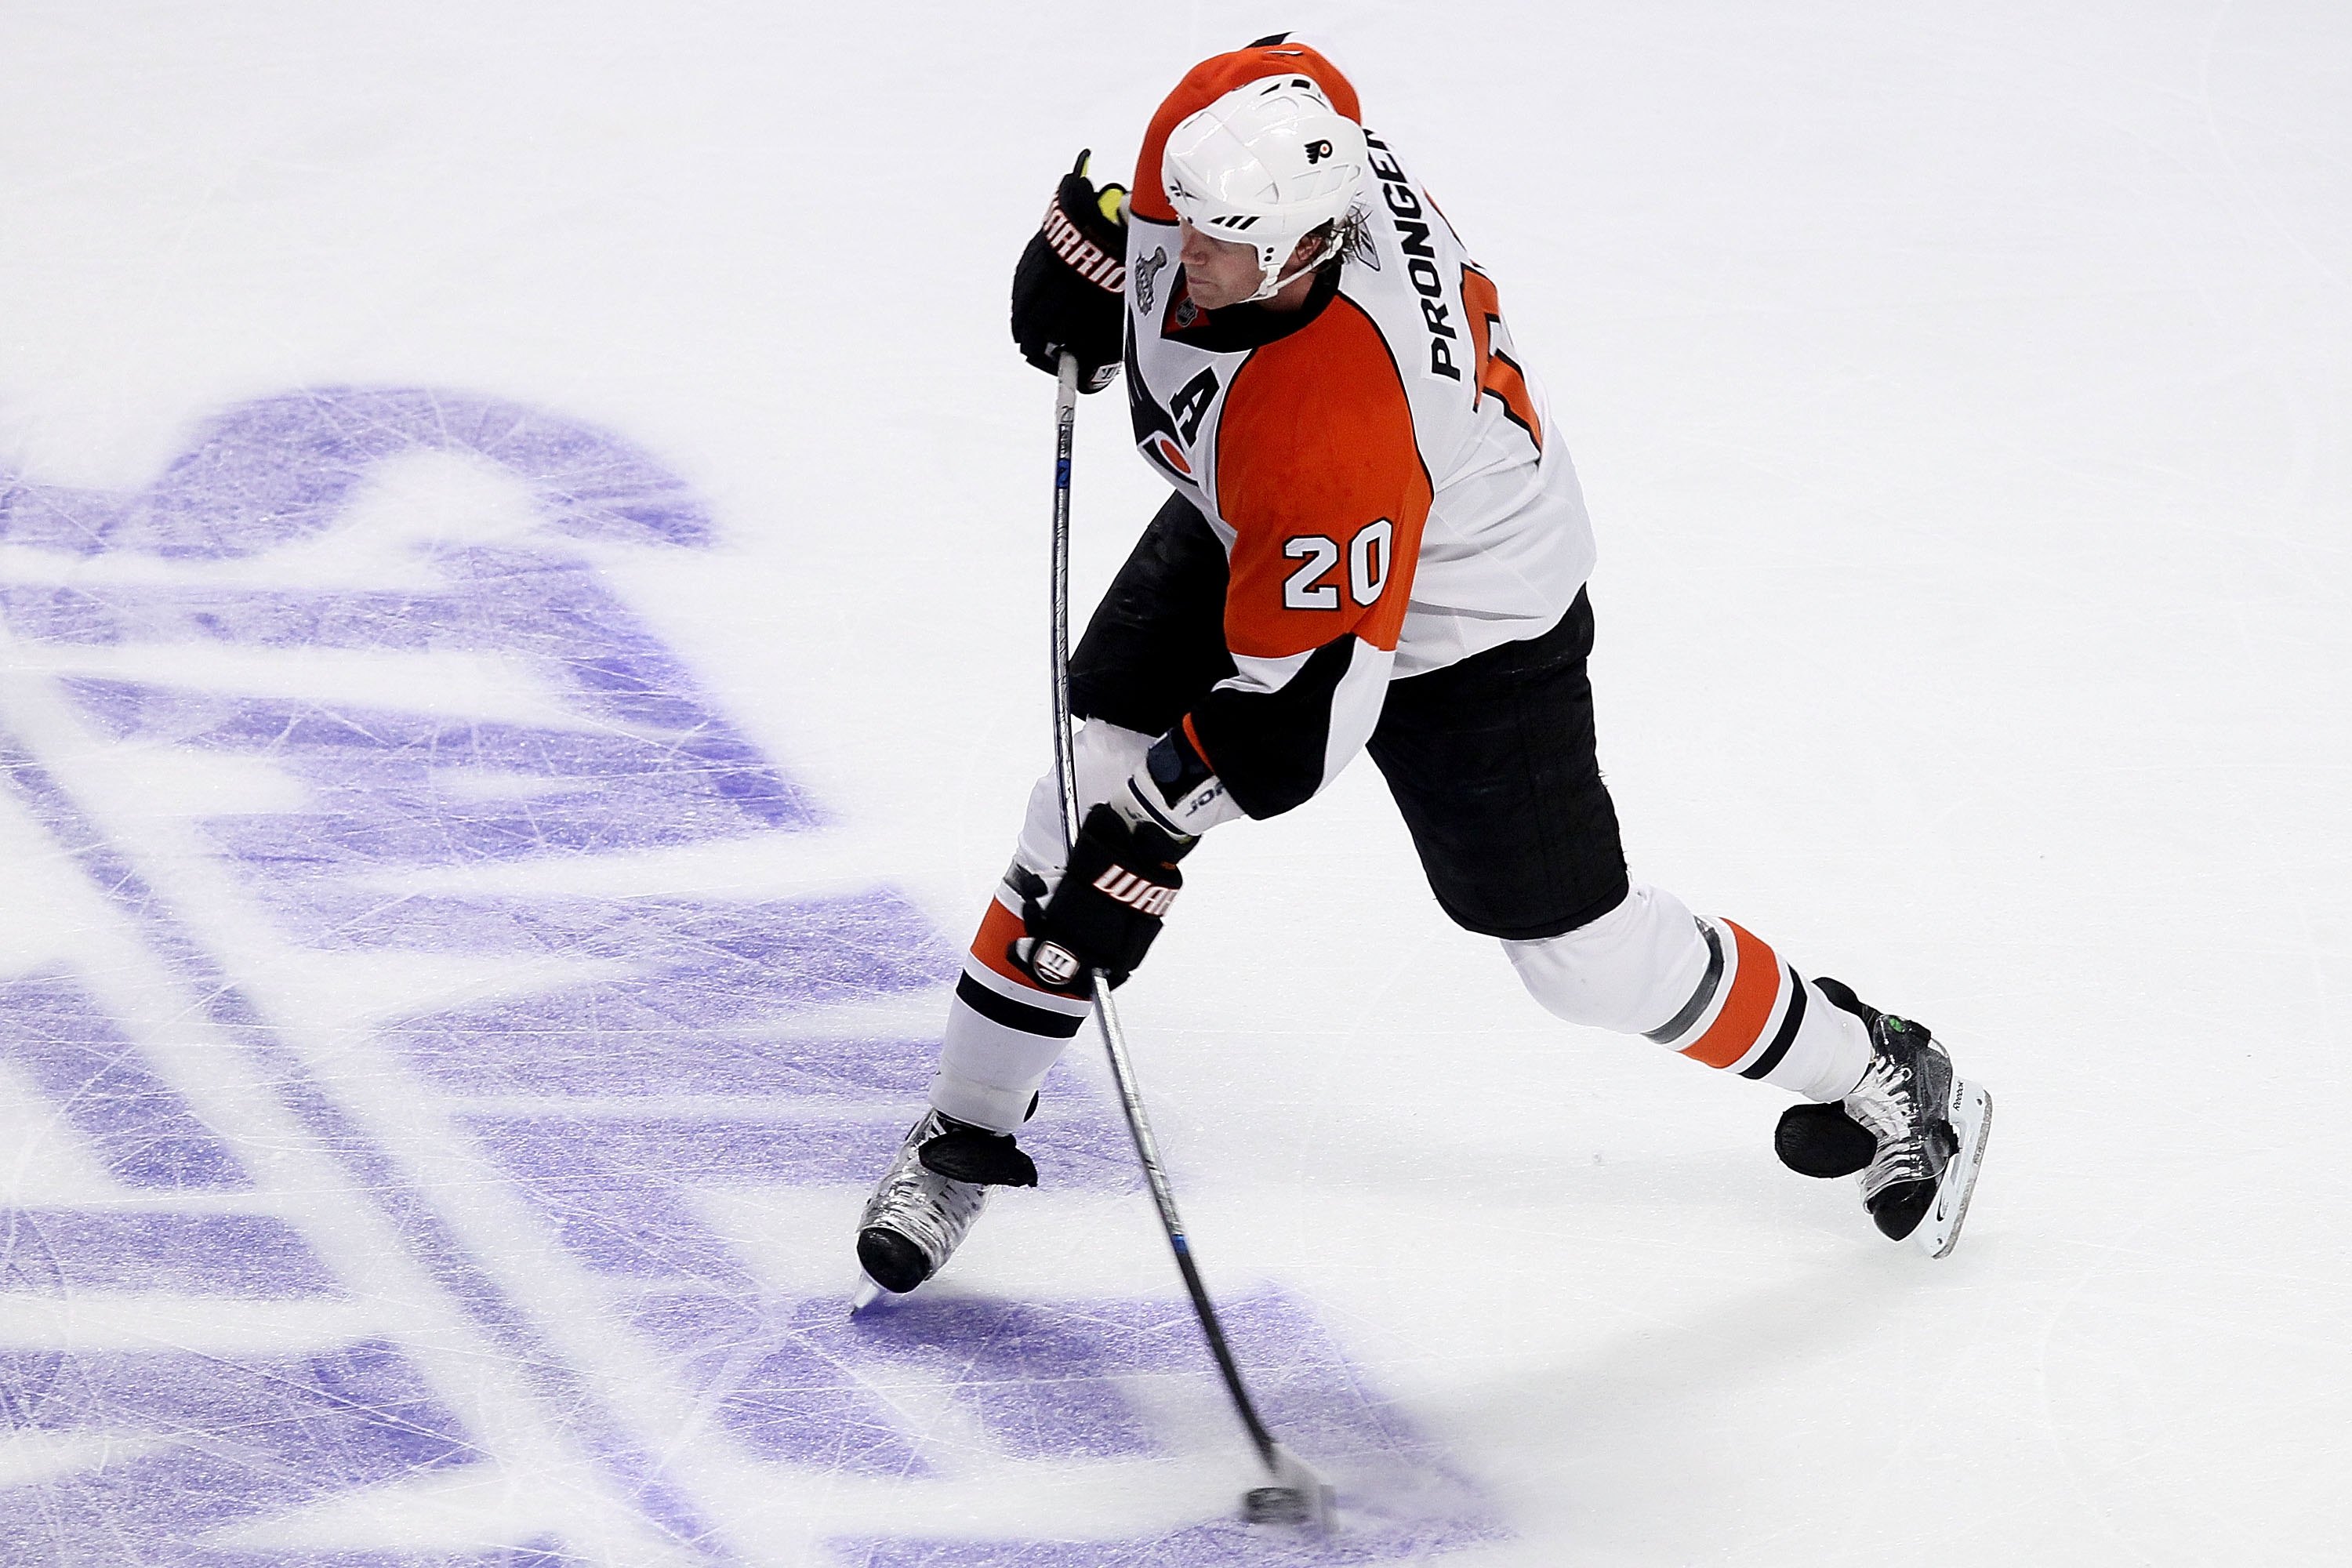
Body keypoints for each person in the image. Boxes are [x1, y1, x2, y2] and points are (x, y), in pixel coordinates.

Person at [854, 36, 1991, 1298]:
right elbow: (1287, 68)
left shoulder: (1326, 423)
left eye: (1214, 248)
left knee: (1579, 958)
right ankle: (966, 1128)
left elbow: (1300, 723)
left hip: (1467, 613)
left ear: (1299, 253)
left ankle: (1875, 1063)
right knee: (1082, 789)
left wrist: (1155, 834)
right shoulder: (1243, 149)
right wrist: (1107, 237)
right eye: (1180, 222)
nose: (1184, 261)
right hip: (1279, 526)